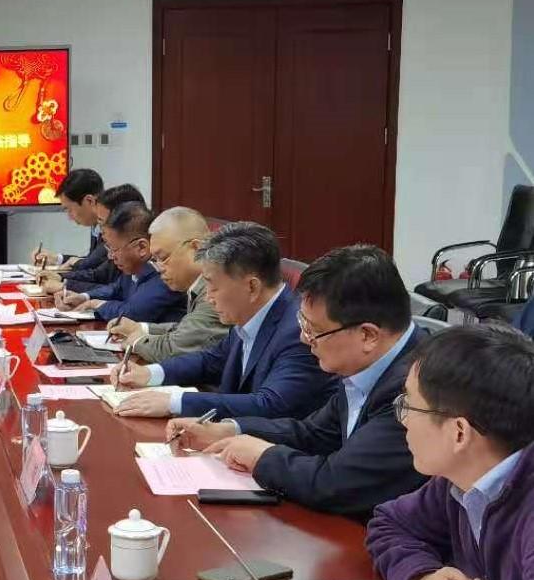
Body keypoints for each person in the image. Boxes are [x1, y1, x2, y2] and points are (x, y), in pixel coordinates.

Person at [170, 245, 427, 519]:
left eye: (314, 330)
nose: (304, 339)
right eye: (303, 324)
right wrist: (230, 431)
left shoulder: (417, 388)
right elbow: (314, 433)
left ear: (368, 335)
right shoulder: (367, 363)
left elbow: (336, 484)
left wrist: (262, 456)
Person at [366, 325, 534, 580]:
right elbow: (389, 523)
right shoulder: (460, 477)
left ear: (459, 432)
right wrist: (423, 578)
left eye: (410, 406)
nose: (403, 420)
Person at [110, 221, 334, 420]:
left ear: (252, 287)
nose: (208, 297)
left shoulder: (298, 332)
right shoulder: (250, 315)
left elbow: (269, 405)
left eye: (213, 286)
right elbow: (211, 361)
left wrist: (174, 402)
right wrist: (150, 373)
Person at [106, 206, 228, 362]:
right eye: (155, 260)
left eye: (163, 258)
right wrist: (140, 328)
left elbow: (176, 348)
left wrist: (136, 341)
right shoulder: (200, 284)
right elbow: (184, 329)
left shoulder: (216, 290)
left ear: (196, 249)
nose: (160, 268)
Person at [53, 203, 183, 324]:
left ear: (142, 247)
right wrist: (83, 297)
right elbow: (115, 289)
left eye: (114, 249)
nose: (110, 256)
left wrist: (96, 304)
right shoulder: (133, 268)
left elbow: (132, 313)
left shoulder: (164, 272)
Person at [38, 182, 144, 295]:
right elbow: (102, 276)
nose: (102, 231)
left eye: (103, 223)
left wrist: (65, 285)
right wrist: (62, 279)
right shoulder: (117, 246)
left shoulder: (147, 265)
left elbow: (120, 294)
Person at [30, 169, 104, 276]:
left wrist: (60, 279)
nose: (69, 217)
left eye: (69, 209)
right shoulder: (96, 226)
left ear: (89, 201)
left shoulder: (113, 227)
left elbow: (97, 273)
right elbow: (91, 262)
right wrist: (56, 258)